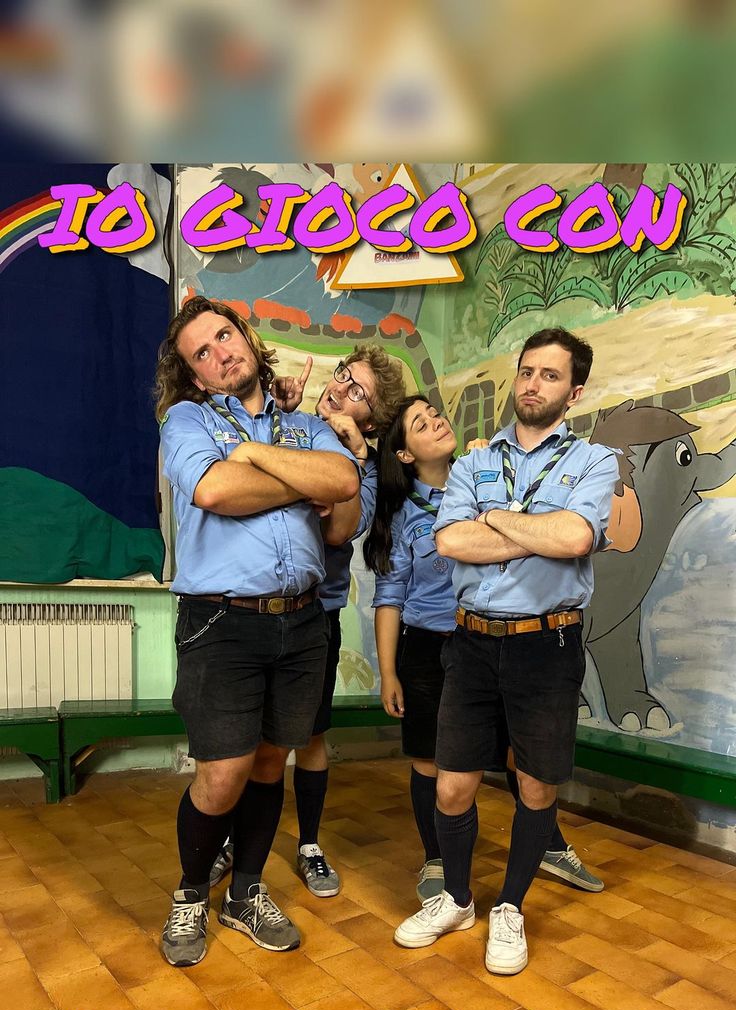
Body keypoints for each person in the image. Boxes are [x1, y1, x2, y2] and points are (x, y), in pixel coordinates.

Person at [393, 327, 619, 975]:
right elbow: (450, 543)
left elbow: (576, 535)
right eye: (527, 371)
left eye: (549, 375)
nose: (532, 383)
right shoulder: (472, 462)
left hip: (546, 644)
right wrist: (534, 532)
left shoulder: (594, 463)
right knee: (454, 784)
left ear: (573, 392)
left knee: (536, 784)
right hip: (471, 641)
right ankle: (459, 899)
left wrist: (492, 518)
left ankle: (510, 907)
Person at [155, 296, 359, 966]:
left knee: (272, 761)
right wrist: (300, 484)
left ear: (245, 334)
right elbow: (214, 492)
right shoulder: (185, 420)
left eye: (224, 335)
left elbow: (343, 481)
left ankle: (244, 892)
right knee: (224, 772)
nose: (221, 353)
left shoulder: (305, 425)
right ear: (193, 376)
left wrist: (255, 456)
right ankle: (190, 896)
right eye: (202, 354)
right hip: (221, 621)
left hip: (300, 622)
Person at [208, 344, 406, 898]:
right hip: (249, 608)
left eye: (358, 391)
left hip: (314, 615)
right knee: (245, 743)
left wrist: (352, 456)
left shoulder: (361, 468)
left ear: (372, 418)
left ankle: (310, 844)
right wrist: (285, 417)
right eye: (344, 376)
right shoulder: (284, 421)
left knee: (308, 738)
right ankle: (229, 839)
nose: (340, 389)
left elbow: (337, 530)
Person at [364, 394, 457, 902]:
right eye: (421, 424)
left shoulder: (480, 485)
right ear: (404, 454)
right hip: (425, 650)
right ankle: (437, 858)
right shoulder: (401, 516)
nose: (437, 422)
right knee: (429, 760)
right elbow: (389, 597)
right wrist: (388, 672)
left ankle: (547, 843)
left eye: (435, 414)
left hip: (485, 642)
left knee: (511, 752)